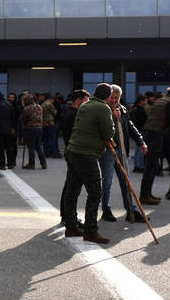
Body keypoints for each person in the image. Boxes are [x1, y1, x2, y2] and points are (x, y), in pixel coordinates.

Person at [61, 83, 115, 244]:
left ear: (94, 93)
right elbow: (108, 132)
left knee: (72, 191)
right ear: (107, 97)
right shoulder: (103, 108)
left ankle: (70, 226)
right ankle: (91, 230)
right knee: (95, 193)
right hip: (86, 154)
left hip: (72, 150)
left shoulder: (85, 105)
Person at [105, 85, 147, 224]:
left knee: (126, 182)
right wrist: (110, 116)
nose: (114, 100)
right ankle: (105, 209)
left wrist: (141, 142)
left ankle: (131, 210)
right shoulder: (102, 109)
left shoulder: (123, 110)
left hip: (122, 149)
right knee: (107, 182)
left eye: (117, 97)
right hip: (107, 150)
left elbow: (130, 126)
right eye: (112, 97)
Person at [139, 87, 170, 205]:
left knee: (153, 164)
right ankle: (144, 195)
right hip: (156, 133)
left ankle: (147, 193)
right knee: (152, 165)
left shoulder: (161, 101)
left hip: (149, 131)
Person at [20, 93, 46, 170]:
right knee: (38, 146)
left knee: (31, 146)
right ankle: (43, 162)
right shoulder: (39, 107)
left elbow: (22, 119)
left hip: (30, 128)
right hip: (39, 128)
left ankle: (31, 163)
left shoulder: (27, 108)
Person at [130, 94, 149, 172]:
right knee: (141, 149)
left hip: (137, 129)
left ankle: (136, 165)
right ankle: (140, 166)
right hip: (141, 130)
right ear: (141, 101)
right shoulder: (141, 110)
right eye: (145, 101)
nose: (146, 102)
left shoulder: (135, 109)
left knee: (137, 149)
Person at [41, 94, 60, 158]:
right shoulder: (50, 105)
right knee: (52, 138)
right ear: (51, 99)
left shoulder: (42, 105)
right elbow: (54, 113)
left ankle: (46, 151)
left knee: (45, 139)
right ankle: (53, 152)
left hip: (44, 123)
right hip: (50, 123)